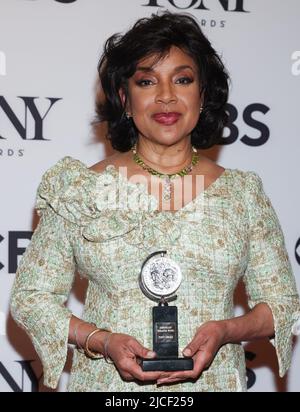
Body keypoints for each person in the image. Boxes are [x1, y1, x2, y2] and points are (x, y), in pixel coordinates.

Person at [10, 11, 300, 392]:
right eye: (147, 81)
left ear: (203, 94)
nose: (166, 96)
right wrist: (102, 340)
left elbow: (282, 305)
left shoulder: (243, 194)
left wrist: (226, 330)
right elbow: (31, 297)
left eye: (183, 79)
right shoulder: (80, 189)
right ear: (124, 98)